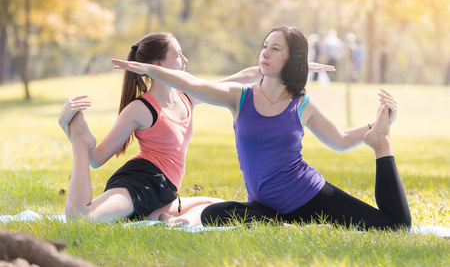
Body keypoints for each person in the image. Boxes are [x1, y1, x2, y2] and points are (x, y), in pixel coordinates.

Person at [112, 25, 411, 231]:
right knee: (217, 213)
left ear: (290, 58)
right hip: (265, 206)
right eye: (265, 46)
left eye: (275, 48)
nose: (265, 53)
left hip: (309, 195)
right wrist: (151, 69)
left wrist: (376, 127)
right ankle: (285, 225)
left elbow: (341, 140)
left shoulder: (302, 102)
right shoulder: (239, 97)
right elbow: (195, 84)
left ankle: (381, 143)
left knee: (395, 226)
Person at [59, 31, 332, 223]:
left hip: (166, 191)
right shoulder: (141, 108)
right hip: (139, 184)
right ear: (158, 66)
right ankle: (140, 208)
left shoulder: (186, 98)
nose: (185, 59)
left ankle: (156, 215)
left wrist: (292, 66)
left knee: (224, 207)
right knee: (83, 218)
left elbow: (245, 75)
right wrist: (75, 135)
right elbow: (96, 159)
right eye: (178, 54)